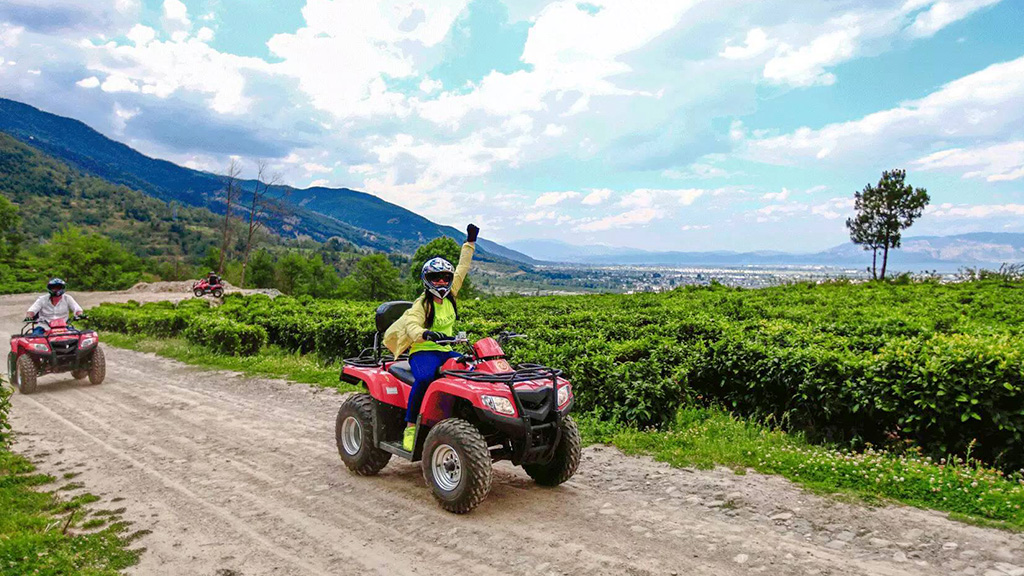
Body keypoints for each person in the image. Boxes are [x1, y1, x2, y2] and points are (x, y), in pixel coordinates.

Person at [383, 224, 479, 451]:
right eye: (436, 279)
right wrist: (424, 333)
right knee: (425, 378)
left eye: (445, 278)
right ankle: (410, 426)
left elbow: (462, 268)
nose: (442, 282)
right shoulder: (422, 303)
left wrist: (470, 242)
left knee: (474, 368)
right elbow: (411, 325)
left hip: (446, 350)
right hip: (423, 351)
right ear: (427, 280)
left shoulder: (451, 295)